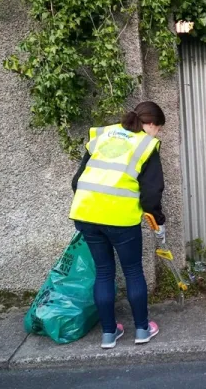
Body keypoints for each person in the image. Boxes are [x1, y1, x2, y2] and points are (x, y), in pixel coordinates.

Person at [69, 101, 166, 348]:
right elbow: (152, 193)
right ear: (152, 124)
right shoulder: (146, 144)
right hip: (120, 219)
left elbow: (77, 180)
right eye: (159, 128)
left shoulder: (103, 135)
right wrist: (158, 220)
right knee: (133, 271)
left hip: (86, 214)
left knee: (103, 273)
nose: (158, 134)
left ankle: (109, 334)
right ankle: (143, 330)